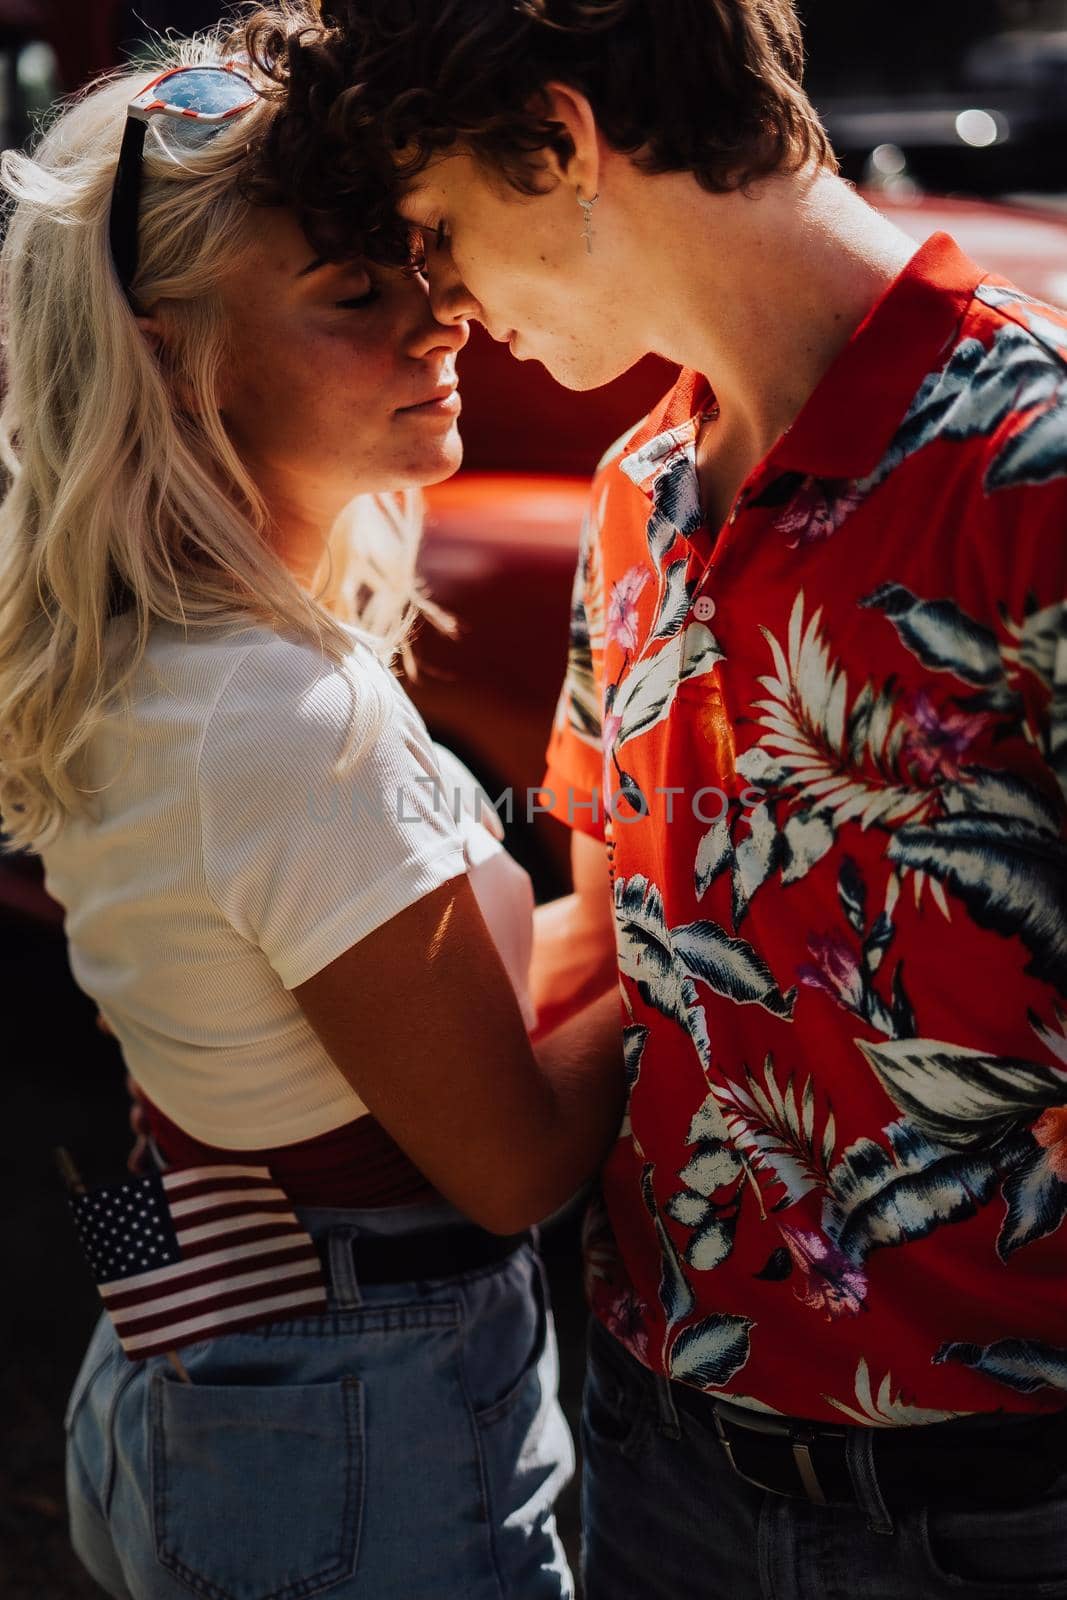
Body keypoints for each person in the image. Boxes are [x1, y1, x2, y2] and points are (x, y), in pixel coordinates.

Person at [240, 2, 1067, 1596]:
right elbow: (622, 941)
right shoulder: (637, 494)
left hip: (998, 1507)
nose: (446, 302)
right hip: (659, 1463)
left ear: (559, 146)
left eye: (441, 227)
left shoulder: (1030, 466)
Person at [0, 10, 628, 1598]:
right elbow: (511, 1166)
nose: (441, 320)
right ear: (172, 348)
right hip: (369, 1434)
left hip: (198, 1377)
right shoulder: (280, 720)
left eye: (423, 263)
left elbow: (347, 1031)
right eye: (355, 295)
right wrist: (714, 929)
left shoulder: (169, 662)